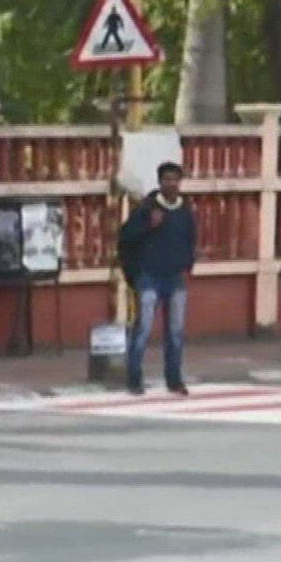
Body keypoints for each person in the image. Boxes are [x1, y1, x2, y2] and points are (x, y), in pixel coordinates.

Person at [117, 161, 198, 395]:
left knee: (175, 333)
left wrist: (188, 264)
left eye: (175, 179)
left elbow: (191, 239)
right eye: (167, 179)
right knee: (142, 330)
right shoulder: (146, 209)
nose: (171, 184)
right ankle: (134, 379)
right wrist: (148, 226)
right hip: (149, 277)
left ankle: (174, 380)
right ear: (160, 182)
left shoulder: (185, 211)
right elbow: (126, 238)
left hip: (175, 278)